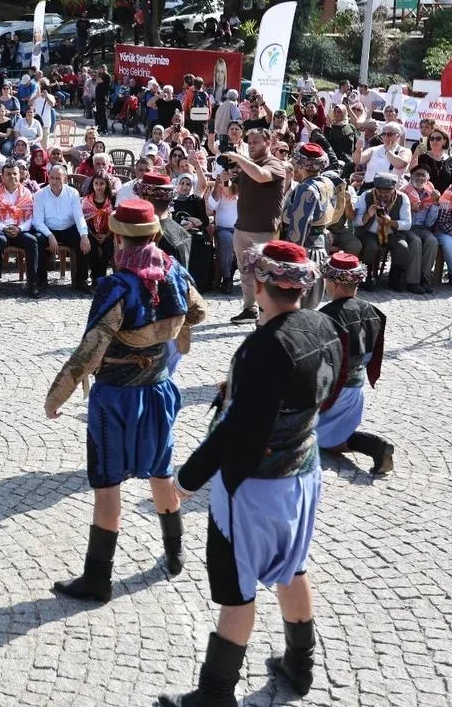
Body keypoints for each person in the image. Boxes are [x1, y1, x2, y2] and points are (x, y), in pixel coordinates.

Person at [159, 241, 342, 707]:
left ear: (259, 284)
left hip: (255, 488)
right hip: (304, 473)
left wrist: (185, 481)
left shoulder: (265, 347)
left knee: (237, 592)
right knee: (291, 565)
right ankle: (301, 667)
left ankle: (216, 694)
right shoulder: (325, 325)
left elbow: (237, 432)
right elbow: (323, 393)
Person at [44, 199, 207, 600]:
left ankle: (98, 578)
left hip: (116, 395)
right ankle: (174, 554)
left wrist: (57, 395)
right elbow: (198, 312)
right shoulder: (174, 270)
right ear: (155, 234)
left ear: (118, 238)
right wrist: (163, 333)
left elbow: (90, 348)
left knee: (107, 482)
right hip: (160, 389)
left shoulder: (116, 285)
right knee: (161, 471)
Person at [315, 252, 395, 475]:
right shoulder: (373, 312)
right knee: (332, 438)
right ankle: (376, 447)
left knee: (305, 433)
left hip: (331, 392)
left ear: (332, 283)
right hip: (355, 391)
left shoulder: (326, 316)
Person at [222, 129, 290, 322]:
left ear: (268, 143)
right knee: (245, 273)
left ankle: (268, 312)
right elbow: (231, 193)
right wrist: (225, 181)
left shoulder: (275, 164)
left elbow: (261, 176)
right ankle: (249, 308)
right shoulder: (247, 167)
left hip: (265, 230)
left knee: (266, 273)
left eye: (256, 143)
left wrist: (241, 159)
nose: (251, 146)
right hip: (242, 227)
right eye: (249, 143)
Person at [279, 143, 335, 307]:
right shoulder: (327, 183)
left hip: (305, 252)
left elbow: (299, 226)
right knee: (310, 304)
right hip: (320, 247)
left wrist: (290, 259)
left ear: (301, 164)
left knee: (296, 305)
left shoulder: (306, 189)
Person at [33, 162, 91, 292]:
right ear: (48, 177)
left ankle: (81, 280)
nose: (54, 181)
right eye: (52, 178)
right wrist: (50, 235)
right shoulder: (40, 195)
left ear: (64, 178)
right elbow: (37, 221)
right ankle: (41, 279)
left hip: (68, 228)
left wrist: (84, 235)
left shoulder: (73, 193)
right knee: (37, 240)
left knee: (84, 240)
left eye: (58, 178)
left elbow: (79, 216)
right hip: (48, 229)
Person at [0, 160, 40, 298]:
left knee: (32, 241)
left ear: (20, 175)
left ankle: (32, 283)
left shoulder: (26, 193)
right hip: (1, 230)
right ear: (3, 177)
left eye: (15, 174)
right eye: (8, 174)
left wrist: (20, 229)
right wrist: (3, 227)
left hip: (20, 231)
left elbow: (30, 218)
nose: (12, 177)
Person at [401, 166, 441, 294]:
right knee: (416, 241)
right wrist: (411, 208)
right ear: (411, 177)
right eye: (417, 174)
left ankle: (425, 278)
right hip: (407, 227)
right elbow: (401, 217)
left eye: (423, 175)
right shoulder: (404, 192)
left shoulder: (430, 193)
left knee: (432, 241)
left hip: (423, 228)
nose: (420, 178)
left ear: (427, 178)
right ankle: (413, 281)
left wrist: (435, 204)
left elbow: (429, 222)